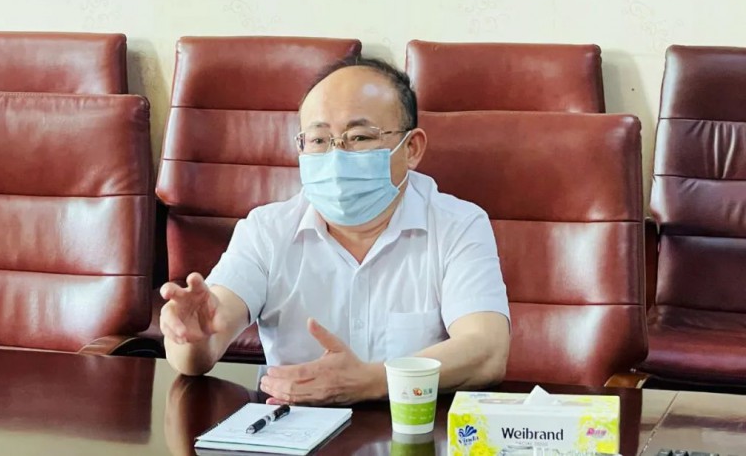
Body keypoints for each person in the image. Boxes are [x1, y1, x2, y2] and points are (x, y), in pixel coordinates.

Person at [160, 56, 510, 405]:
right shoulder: (266, 230)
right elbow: (206, 338)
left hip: (414, 426)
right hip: (294, 427)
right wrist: (190, 337)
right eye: (318, 140)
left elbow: (487, 350)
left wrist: (372, 381)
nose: (337, 156)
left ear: (411, 148)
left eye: (359, 137)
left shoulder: (458, 225)